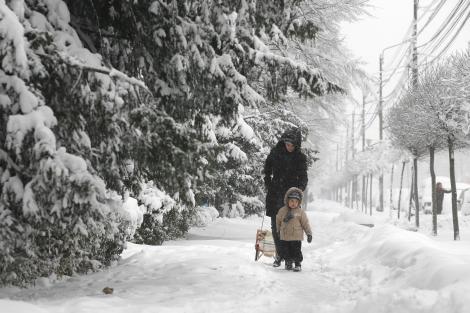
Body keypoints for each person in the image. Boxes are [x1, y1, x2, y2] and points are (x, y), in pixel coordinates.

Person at [263, 128, 308, 267]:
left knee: (290, 226)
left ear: (296, 145)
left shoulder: (300, 158)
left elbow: (304, 177)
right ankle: (279, 255)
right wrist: (268, 181)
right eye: (287, 143)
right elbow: (267, 169)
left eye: (291, 144)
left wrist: (298, 191)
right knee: (276, 226)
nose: (289, 146)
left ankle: (291, 257)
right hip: (275, 193)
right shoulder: (275, 153)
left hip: (291, 196)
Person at [276, 187, 312, 272]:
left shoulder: (300, 212)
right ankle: (288, 262)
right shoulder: (282, 211)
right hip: (285, 236)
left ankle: (297, 264)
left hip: (296, 237)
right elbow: (278, 221)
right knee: (286, 251)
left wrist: (309, 233)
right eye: (291, 201)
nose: (293, 203)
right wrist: (278, 230)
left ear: (299, 202)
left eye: (296, 201)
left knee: (296, 251)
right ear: (287, 200)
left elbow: (305, 223)